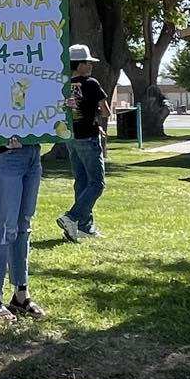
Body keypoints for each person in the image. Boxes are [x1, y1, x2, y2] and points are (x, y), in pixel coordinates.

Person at [0, 129, 45, 321]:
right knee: (5, 227)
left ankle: (21, 294)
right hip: (2, 156)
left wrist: (66, 106)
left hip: (32, 153)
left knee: (23, 226)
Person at [56, 44, 108, 241]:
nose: (91, 66)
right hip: (88, 137)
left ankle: (85, 227)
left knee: (82, 181)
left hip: (71, 137)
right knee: (97, 183)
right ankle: (71, 217)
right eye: (87, 62)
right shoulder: (91, 83)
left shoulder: (63, 85)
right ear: (79, 64)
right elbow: (105, 111)